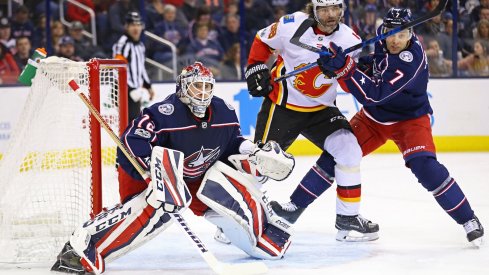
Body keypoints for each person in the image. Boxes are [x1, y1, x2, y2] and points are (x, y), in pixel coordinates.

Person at [51, 62, 295, 274]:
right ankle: (84, 244)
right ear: (182, 88)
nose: (202, 93)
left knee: (225, 187)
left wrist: (252, 151)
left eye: (207, 87)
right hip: (141, 172)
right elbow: (131, 140)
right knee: (160, 208)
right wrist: (154, 175)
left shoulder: (225, 112)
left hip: (193, 176)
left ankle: (260, 233)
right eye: (196, 86)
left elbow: (231, 143)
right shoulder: (165, 113)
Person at [314, 8, 484, 246]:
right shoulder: (385, 42)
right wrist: (341, 63)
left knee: (426, 168)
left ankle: (469, 219)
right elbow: (375, 64)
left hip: (409, 119)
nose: (394, 40)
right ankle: (290, 210)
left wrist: (345, 69)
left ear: (411, 34)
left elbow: (374, 93)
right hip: (375, 118)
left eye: (401, 35)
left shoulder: (411, 58)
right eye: (389, 33)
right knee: (336, 155)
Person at [244, 0, 379, 242]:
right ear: (313, 10)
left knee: (349, 150)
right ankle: (240, 217)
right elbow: (262, 39)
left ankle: (347, 219)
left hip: (322, 110)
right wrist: (255, 67)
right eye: (324, 9)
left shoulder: (350, 40)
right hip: (283, 107)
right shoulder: (290, 25)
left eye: (335, 8)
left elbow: (351, 81)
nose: (330, 15)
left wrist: (343, 70)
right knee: (262, 163)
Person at [113, 11, 155, 121]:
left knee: (134, 122)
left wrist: (148, 86)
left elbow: (141, 68)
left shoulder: (140, 46)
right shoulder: (122, 44)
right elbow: (117, 69)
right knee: (128, 123)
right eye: (132, 25)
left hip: (135, 91)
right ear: (126, 27)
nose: (136, 28)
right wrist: (128, 88)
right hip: (123, 90)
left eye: (138, 25)